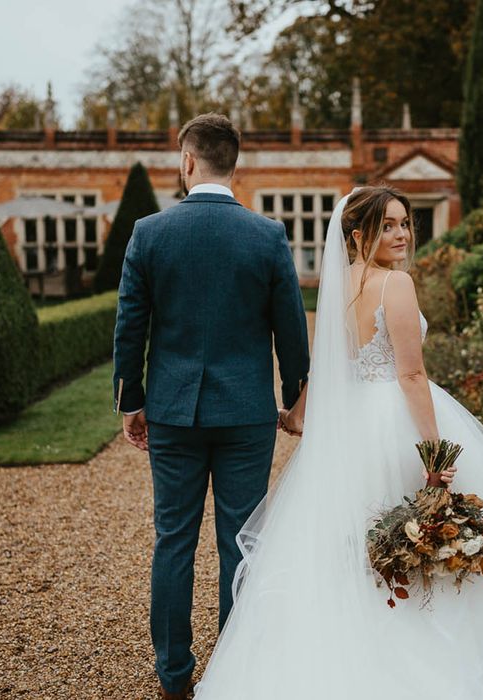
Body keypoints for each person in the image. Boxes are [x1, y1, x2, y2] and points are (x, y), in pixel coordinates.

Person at [194, 186, 483, 699]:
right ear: (359, 234)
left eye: (405, 223)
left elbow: (332, 366)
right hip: (395, 423)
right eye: (387, 225)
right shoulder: (395, 285)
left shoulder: (341, 288)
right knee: (414, 538)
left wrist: (299, 413)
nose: (402, 233)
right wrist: (435, 454)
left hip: (350, 432)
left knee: (361, 545)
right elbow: (410, 375)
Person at [112, 113, 310, 700]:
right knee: (239, 541)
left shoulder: (149, 233)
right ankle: (235, 671)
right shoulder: (268, 235)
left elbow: (130, 327)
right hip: (247, 414)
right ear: (235, 163)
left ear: (188, 161)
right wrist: (293, 397)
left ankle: (174, 676)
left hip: (171, 412)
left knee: (172, 540)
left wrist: (132, 400)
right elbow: (292, 331)